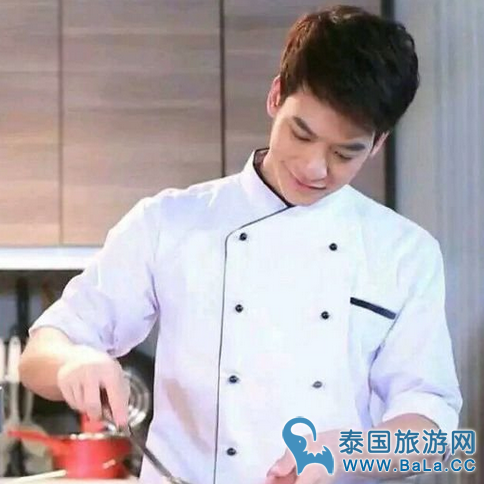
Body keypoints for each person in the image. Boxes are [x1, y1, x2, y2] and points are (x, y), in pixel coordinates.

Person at [19, 5, 462, 484]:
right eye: (301, 134)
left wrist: (349, 452)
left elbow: (436, 438)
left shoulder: (404, 252)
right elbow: (40, 353)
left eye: (343, 153)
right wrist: (74, 361)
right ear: (276, 96)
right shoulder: (170, 222)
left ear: (377, 144)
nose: (314, 168)